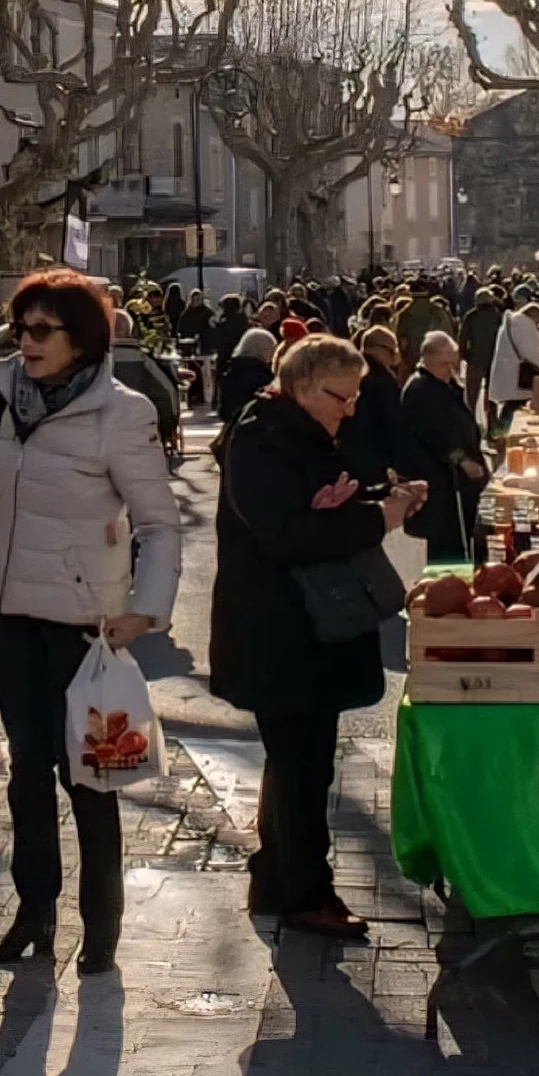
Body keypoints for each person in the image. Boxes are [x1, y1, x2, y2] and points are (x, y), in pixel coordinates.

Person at [0, 270, 180, 976]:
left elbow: (160, 523)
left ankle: (101, 923)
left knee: (91, 776)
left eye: (42, 330)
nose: (26, 342)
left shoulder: (123, 412)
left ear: (82, 340)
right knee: (27, 772)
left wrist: (146, 609)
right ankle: (35, 911)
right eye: (19, 328)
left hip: (85, 624)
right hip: (10, 613)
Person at [209, 334, 426, 936]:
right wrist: (372, 518)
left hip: (300, 627)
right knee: (301, 765)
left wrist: (377, 500)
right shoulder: (263, 437)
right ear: (302, 385)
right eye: (342, 396)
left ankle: (278, 878)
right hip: (280, 629)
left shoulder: (295, 430)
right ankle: (306, 892)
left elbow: (312, 512)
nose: (350, 408)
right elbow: (286, 534)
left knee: (298, 762)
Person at [401, 332, 490, 561]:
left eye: (454, 362)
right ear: (426, 359)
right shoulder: (421, 389)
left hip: (452, 478)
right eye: (444, 363)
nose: (450, 368)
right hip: (441, 479)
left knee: (458, 536)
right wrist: (463, 460)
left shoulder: (442, 382)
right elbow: (435, 434)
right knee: (446, 541)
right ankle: (447, 588)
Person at [338, 327, 408, 497]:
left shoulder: (350, 371)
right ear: (381, 350)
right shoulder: (382, 380)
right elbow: (392, 422)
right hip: (373, 454)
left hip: (348, 451)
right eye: (393, 350)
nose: (395, 356)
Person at [109, 308, 182, 453]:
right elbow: (167, 394)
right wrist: (167, 428)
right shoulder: (144, 360)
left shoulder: (89, 362)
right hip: (141, 433)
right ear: (129, 330)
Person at [488, 292, 539, 428]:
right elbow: (531, 354)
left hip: (510, 373)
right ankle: (503, 435)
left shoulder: (513, 322)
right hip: (517, 376)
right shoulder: (524, 326)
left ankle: (500, 434)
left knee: (509, 407)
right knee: (513, 409)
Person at [458, 284, 505, 422]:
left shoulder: (471, 316)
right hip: (495, 359)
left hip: (475, 359)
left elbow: (463, 337)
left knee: (471, 394)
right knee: (492, 395)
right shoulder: (499, 316)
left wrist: (464, 355)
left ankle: (470, 420)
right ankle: (492, 420)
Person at [217, 326, 278, 434]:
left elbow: (223, 410)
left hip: (232, 429)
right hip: (255, 432)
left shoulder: (231, 371)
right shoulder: (262, 376)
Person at [394, 279, 454, 374]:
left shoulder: (404, 314)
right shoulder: (438, 312)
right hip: (436, 357)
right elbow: (448, 334)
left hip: (413, 359)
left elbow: (400, 339)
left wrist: (406, 358)